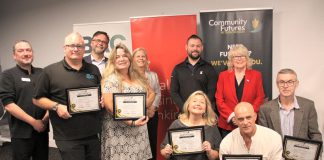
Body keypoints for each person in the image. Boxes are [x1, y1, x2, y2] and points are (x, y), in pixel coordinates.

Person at [33, 32, 102, 160]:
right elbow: (37, 99)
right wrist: (56, 106)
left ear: (84, 48)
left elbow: (99, 94)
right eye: (72, 45)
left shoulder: (93, 70)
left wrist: (100, 100)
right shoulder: (50, 71)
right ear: (64, 48)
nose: (76, 49)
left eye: (79, 46)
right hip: (67, 136)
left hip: (92, 133)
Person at [101, 43, 155, 160]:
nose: (121, 59)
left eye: (124, 56)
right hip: (119, 132)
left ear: (129, 59)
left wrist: (142, 106)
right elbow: (110, 107)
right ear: (112, 61)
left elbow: (152, 93)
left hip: (139, 130)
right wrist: (130, 122)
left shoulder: (138, 77)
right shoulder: (110, 79)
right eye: (117, 57)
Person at [0, 40, 49, 160]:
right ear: (14, 55)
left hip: (42, 130)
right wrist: (34, 122)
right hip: (21, 133)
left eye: (28, 50)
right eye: (20, 51)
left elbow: (50, 98)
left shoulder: (42, 73)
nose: (26, 53)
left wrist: (45, 119)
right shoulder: (8, 75)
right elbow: (9, 105)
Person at [258, 68, 322, 141]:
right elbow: (263, 138)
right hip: (275, 152)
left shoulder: (308, 106)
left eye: (290, 82)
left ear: (296, 84)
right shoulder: (265, 109)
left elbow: (315, 134)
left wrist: (316, 151)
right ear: (277, 84)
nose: (285, 86)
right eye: (281, 82)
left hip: (301, 152)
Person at [215, 44, 265, 138]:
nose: (239, 59)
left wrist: (247, 115)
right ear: (231, 60)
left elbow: (260, 97)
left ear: (247, 59)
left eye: (242, 56)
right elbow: (219, 99)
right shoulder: (223, 75)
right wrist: (233, 116)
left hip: (248, 124)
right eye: (235, 56)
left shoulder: (256, 75)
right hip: (228, 124)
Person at [161, 91, 222, 160]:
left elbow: (217, 155)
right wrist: (167, 152)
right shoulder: (176, 124)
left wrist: (209, 151)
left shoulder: (211, 126)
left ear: (206, 109)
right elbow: (164, 152)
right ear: (188, 106)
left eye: (202, 102)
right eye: (194, 101)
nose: (198, 104)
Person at [170, 34, 217, 113]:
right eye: (192, 46)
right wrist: (185, 107)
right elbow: (174, 92)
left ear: (202, 48)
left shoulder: (209, 68)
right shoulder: (178, 69)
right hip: (184, 113)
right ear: (186, 47)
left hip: (204, 113)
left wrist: (202, 107)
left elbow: (212, 91)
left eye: (198, 46)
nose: (195, 48)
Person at [132, 47, 161, 160]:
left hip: (152, 114)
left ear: (146, 59)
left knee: (152, 141)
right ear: (133, 59)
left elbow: (157, 92)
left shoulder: (153, 75)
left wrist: (153, 108)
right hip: (135, 115)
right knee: (138, 143)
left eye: (143, 56)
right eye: (138, 56)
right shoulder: (129, 76)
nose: (141, 58)